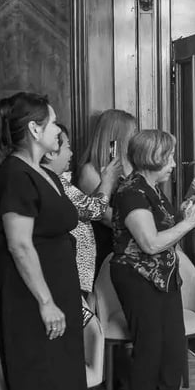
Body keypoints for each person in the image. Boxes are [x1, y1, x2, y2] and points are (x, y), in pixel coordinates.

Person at [0, 92, 86, 390]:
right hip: (29, 298)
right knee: (33, 385)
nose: (59, 130)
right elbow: (20, 245)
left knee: (51, 385)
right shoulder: (14, 175)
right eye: (54, 122)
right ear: (34, 128)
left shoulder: (43, 171)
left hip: (56, 291)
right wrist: (45, 301)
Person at [110, 130, 195, 390]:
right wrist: (188, 223)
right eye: (168, 158)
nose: (174, 164)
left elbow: (160, 229)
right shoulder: (131, 193)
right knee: (150, 344)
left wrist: (181, 216)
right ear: (152, 158)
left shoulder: (152, 188)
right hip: (138, 276)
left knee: (174, 340)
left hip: (162, 276)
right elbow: (150, 243)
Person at [41, 125, 123, 319]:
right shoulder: (53, 181)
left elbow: (82, 208)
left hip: (74, 272)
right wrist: (108, 181)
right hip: (67, 273)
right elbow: (94, 210)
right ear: (51, 152)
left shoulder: (55, 179)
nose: (71, 152)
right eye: (67, 146)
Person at [77, 109, 138, 277]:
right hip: (107, 247)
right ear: (118, 135)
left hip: (133, 245)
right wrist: (142, 227)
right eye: (132, 132)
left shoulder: (132, 165)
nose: (135, 137)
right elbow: (103, 215)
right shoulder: (90, 171)